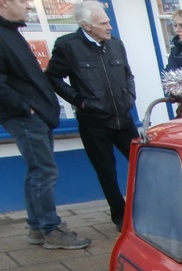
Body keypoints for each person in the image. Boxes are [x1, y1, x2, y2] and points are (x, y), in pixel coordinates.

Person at [0, 0, 89, 249]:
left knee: (37, 171)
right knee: (45, 172)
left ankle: (38, 227)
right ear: (4, 3)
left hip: (35, 114)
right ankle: (51, 229)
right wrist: (25, 107)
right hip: (25, 117)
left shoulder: (10, 32)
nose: (27, 5)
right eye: (21, 1)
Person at [46, 0, 137, 231]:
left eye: (108, 21)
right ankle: (120, 215)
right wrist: (81, 101)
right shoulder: (68, 46)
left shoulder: (115, 44)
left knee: (142, 164)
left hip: (123, 119)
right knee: (106, 171)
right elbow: (53, 78)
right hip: (94, 123)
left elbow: (128, 74)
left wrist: (129, 97)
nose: (109, 27)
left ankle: (146, 207)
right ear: (87, 26)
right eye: (103, 23)